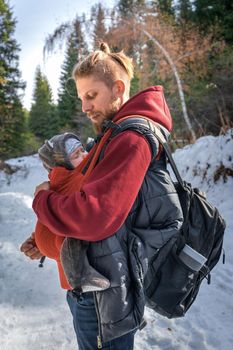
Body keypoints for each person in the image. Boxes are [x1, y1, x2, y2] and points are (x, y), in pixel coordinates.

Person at [20, 42, 183, 350]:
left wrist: (42, 200)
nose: (84, 106)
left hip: (103, 297)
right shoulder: (115, 134)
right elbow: (86, 196)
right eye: (81, 97)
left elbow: (96, 217)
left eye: (91, 95)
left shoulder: (132, 138)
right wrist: (47, 236)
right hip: (94, 289)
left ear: (118, 88)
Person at [36, 132, 110, 292]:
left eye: (82, 150)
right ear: (62, 165)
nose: (85, 155)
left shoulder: (59, 181)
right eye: (76, 155)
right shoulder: (73, 179)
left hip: (78, 285)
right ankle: (80, 276)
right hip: (81, 286)